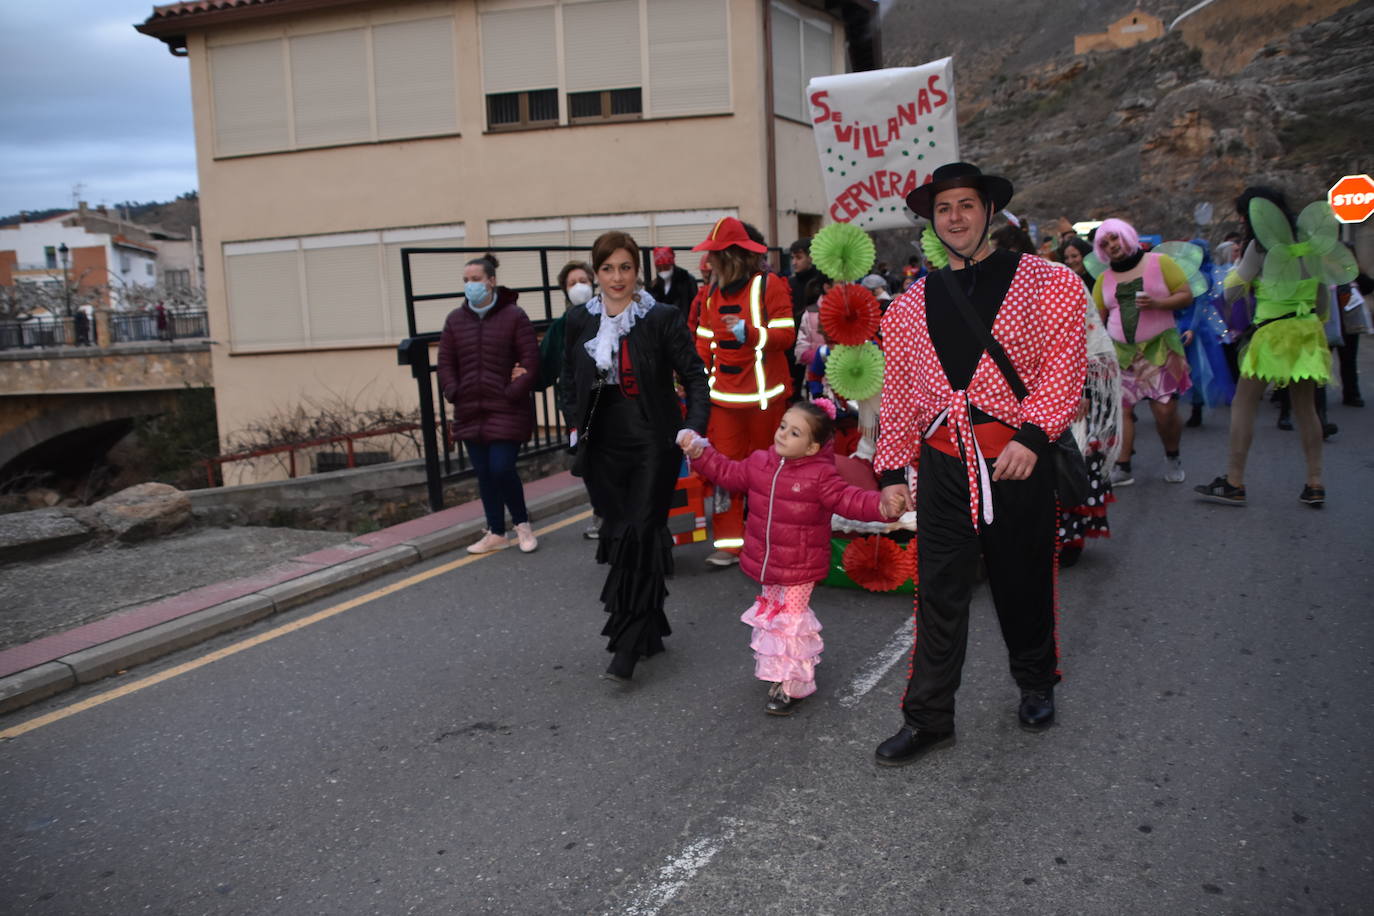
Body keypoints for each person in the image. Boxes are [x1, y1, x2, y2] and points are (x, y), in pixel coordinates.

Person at [871, 161, 1087, 766]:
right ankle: (930, 716)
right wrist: (891, 474)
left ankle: (1036, 681)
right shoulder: (911, 304)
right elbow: (900, 397)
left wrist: (1033, 436)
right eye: (944, 209)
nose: (955, 217)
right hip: (943, 467)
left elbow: (1063, 370)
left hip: (1015, 461)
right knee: (939, 592)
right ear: (931, 222)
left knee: (1021, 582)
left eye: (966, 205)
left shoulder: (1048, 283)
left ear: (989, 212)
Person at [558, 231, 710, 681]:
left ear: (637, 270)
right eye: (607, 268)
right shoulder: (577, 321)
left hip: (652, 443)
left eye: (625, 267)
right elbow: (568, 377)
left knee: (640, 533)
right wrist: (574, 422)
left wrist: (693, 428)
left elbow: (695, 379)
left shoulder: (660, 317)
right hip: (602, 446)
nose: (616, 277)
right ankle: (649, 629)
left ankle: (625, 646)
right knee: (621, 533)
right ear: (595, 272)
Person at [683, 399, 890, 713]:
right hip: (768, 563)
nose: (782, 435)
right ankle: (776, 672)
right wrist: (700, 452)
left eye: (794, 433)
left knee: (791, 624)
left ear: (811, 448)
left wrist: (883, 506)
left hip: (800, 566)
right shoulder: (758, 462)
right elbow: (727, 472)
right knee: (773, 620)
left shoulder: (821, 476)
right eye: (783, 427)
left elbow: (850, 499)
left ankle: (792, 684)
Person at [1195, 187, 1332, 508]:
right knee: (1306, 408)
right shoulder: (1310, 241)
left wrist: (1232, 279)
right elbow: (1323, 294)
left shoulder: (1261, 245)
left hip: (1272, 332)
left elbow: (1232, 292)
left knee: (1244, 404)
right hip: (1307, 330)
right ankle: (1315, 483)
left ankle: (1234, 481)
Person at [688, 216, 797, 567]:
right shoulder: (708, 296)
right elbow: (703, 345)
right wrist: (692, 380)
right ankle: (730, 543)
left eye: (714, 255)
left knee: (771, 472)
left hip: (765, 402)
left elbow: (786, 336)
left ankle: (771, 539)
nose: (709, 262)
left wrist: (750, 334)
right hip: (724, 402)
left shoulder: (770, 286)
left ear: (731, 256)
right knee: (724, 475)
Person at [437, 254, 540, 554]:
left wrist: (511, 392)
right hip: (469, 409)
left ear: (492, 281)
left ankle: (522, 525)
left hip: (507, 408)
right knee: (483, 472)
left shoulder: (514, 316)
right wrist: (453, 389)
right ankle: (495, 530)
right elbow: (446, 361)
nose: (471, 285)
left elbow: (531, 363)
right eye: (466, 281)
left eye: (476, 279)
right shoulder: (455, 320)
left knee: (501, 467)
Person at [1092, 219, 1194, 486]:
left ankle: (1173, 456)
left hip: (1159, 348)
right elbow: (1095, 320)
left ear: (1126, 236)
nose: (1111, 246)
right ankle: (1123, 467)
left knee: (1164, 411)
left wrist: (1158, 303)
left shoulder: (1159, 263)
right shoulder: (1104, 279)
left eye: (1114, 238)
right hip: (1120, 354)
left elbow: (1186, 295)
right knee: (1122, 411)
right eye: (1105, 243)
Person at [1057, 237, 1121, 568]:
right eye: (1065, 257)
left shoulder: (1073, 288)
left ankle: (1070, 538)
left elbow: (1086, 343)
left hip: (1072, 393)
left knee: (1071, 461)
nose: (1070, 261)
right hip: (1034, 394)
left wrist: (1082, 389)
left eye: (1075, 256)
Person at [538, 260, 604, 540]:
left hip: (611, 399)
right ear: (565, 291)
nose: (579, 287)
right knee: (589, 462)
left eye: (583, 280)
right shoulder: (561, 327)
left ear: (593, 282)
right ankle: (601, 512)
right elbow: (544, 369)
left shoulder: (610, 314)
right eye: (572, 283)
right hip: (577, 407)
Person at [649, 246, 698, 313]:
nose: (663, 271)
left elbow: (694, 304)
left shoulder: (687, 280)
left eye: (666, 267)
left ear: (672, 265)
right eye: (659, 269)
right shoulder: (655, 285)